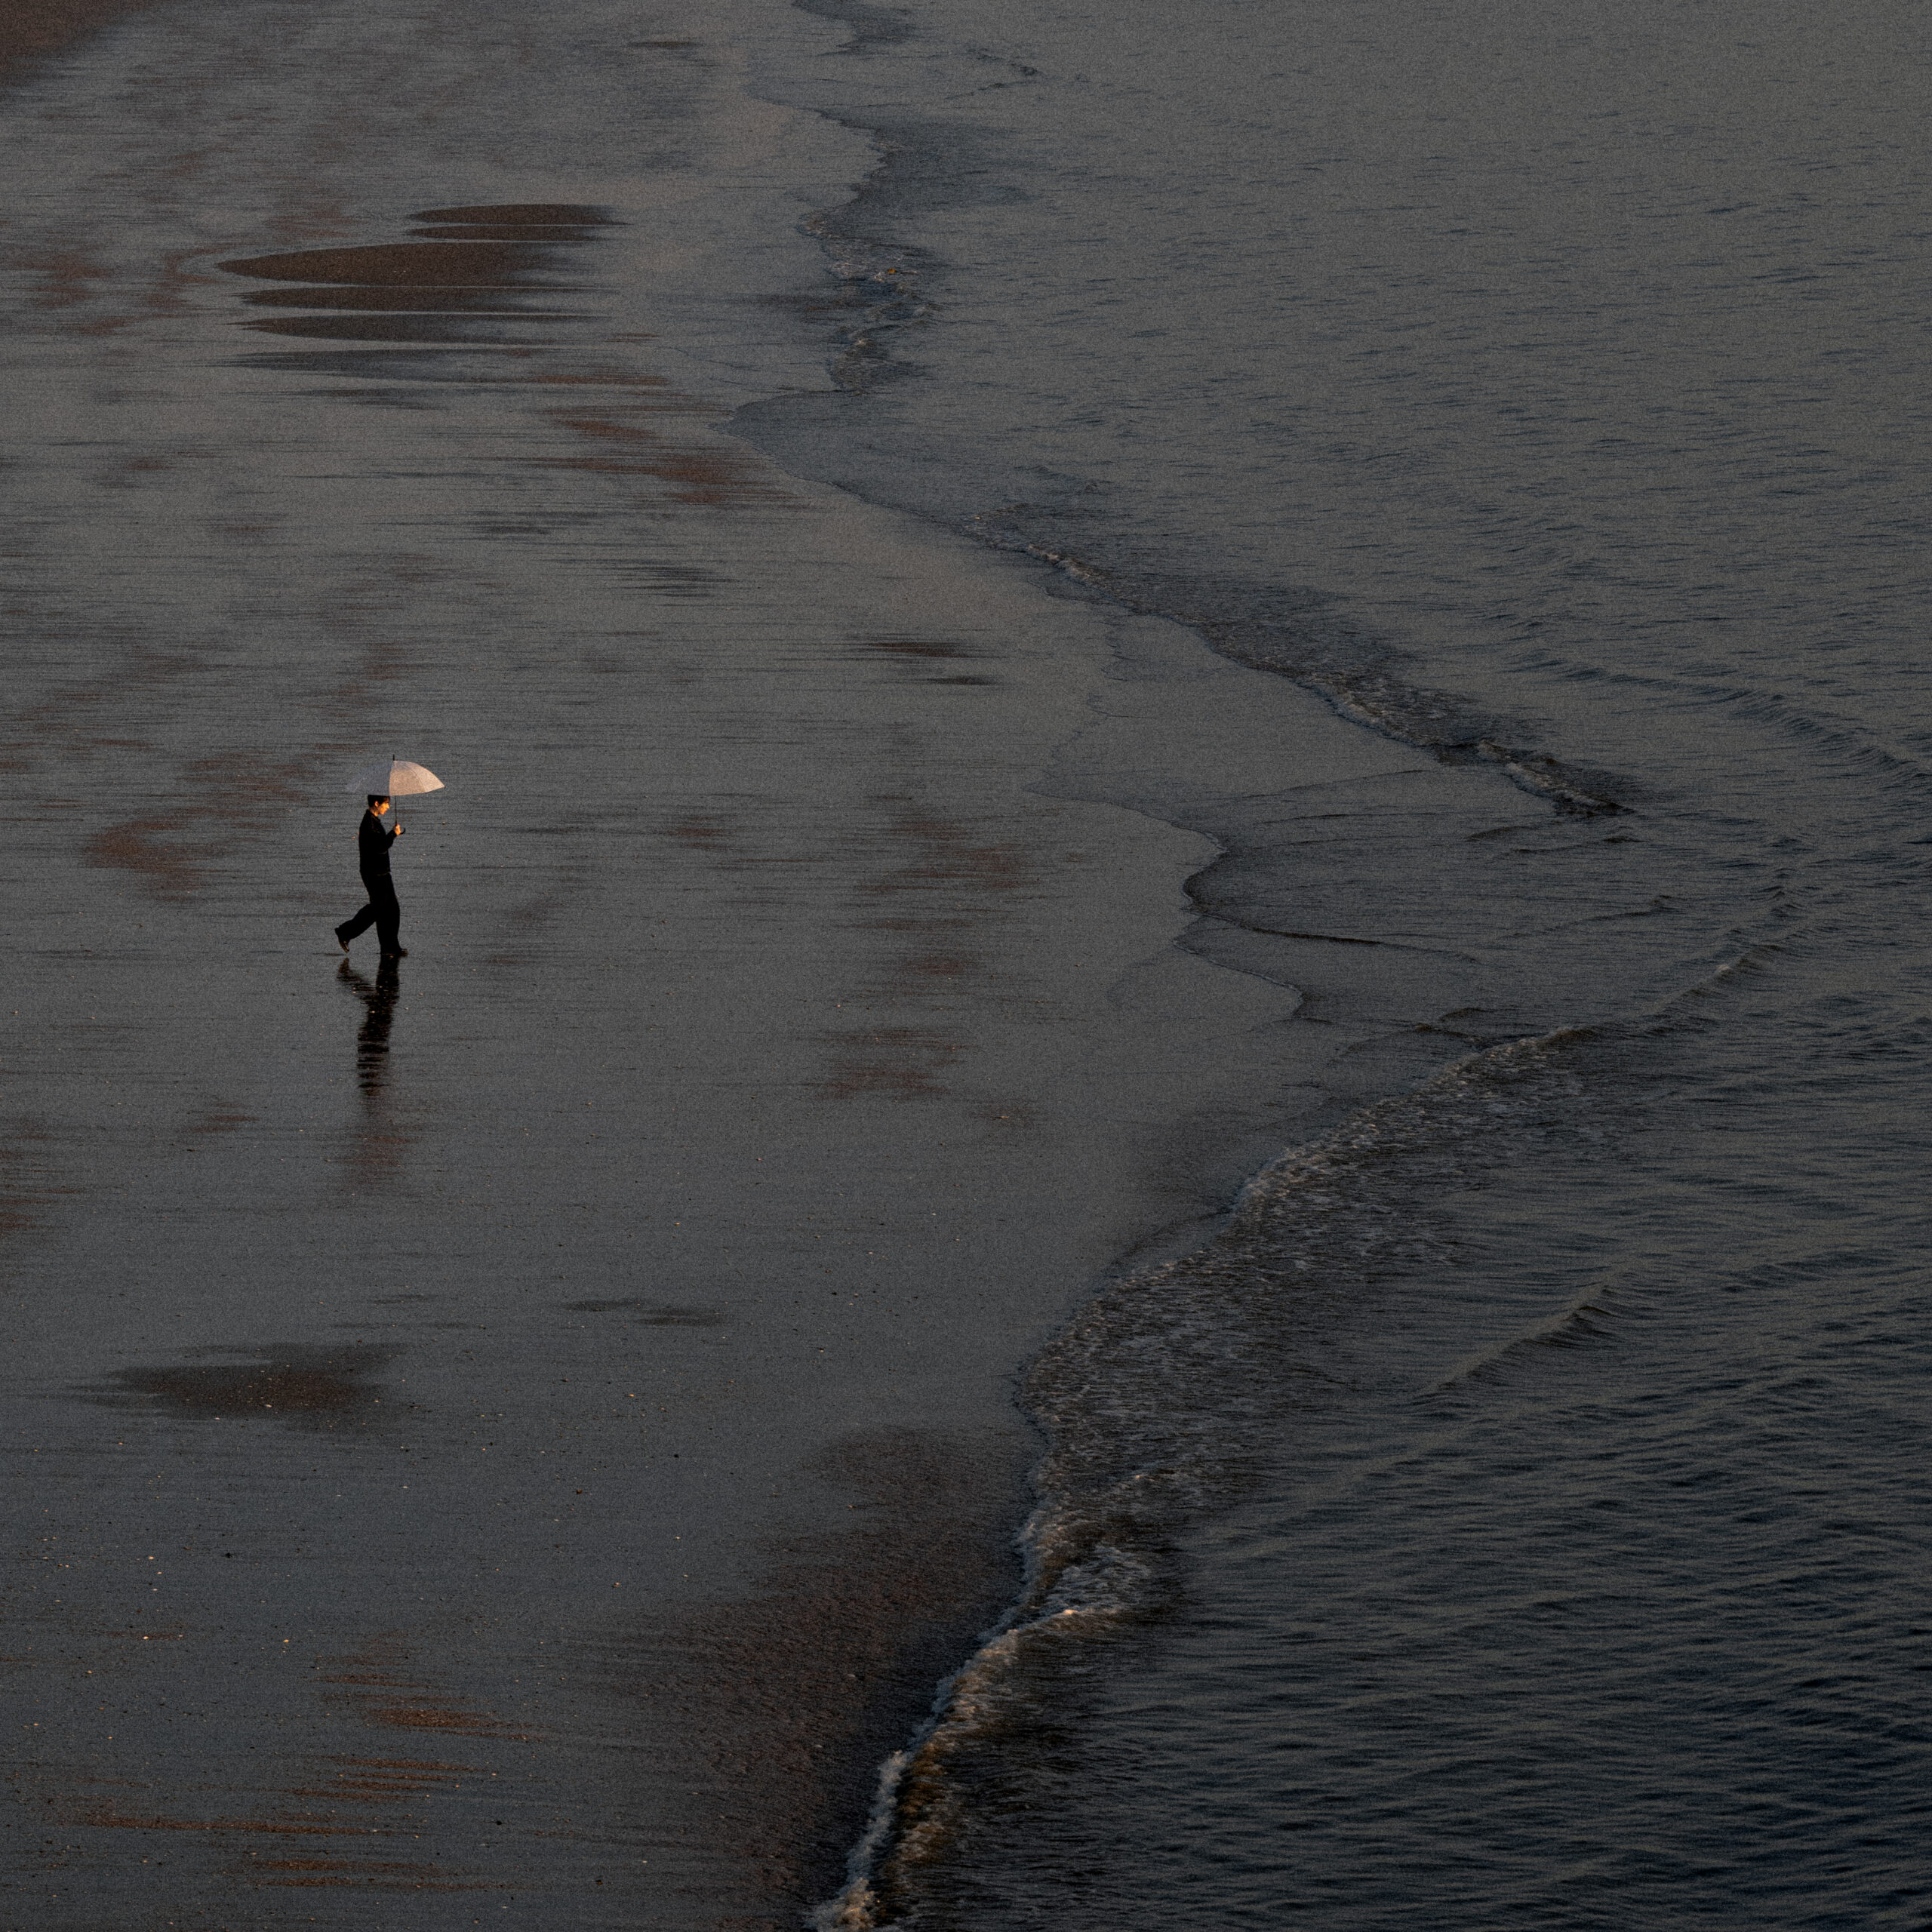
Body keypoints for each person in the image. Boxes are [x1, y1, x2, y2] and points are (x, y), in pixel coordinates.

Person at [334, 795, 407, 958]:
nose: (388, 807)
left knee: (392, 909)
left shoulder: (374, 821)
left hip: (382, 872)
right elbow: (380, 846)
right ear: (376, 803)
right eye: (386, 804)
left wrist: (392, 835)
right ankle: (345, 932)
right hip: (373, 873)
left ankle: (390, 947)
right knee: (378, 908)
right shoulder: (369, 823)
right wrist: (393, 834)